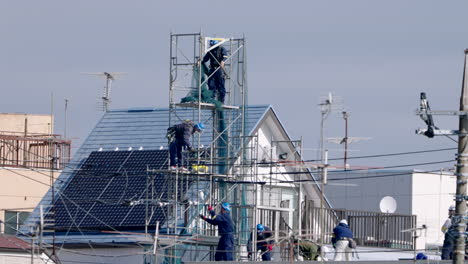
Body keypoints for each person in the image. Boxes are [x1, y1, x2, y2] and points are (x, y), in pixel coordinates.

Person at [202, 39, 228, 104]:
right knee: (211, 84)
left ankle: (221, 101)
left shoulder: (221, 49)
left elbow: (225, 56)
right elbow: (205, 59)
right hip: (212, 69)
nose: (211, 46)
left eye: (212, 45)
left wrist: (223, 61)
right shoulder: (210, 51)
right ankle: (212, 99)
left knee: (220, 86)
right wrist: (200, 61)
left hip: (219, 69)